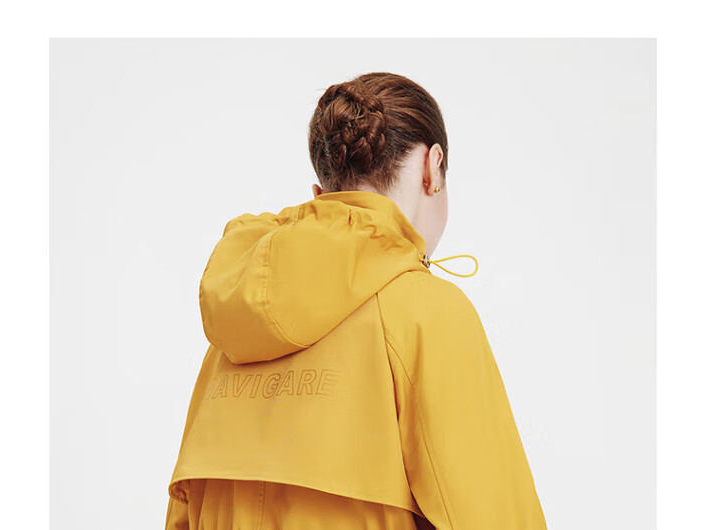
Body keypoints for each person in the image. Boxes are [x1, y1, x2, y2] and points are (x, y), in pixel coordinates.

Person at [164, 72, 547, 529]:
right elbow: (493, 514)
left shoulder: (231, 336)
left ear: (322, 195)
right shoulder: (428, 313)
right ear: (432, 167)